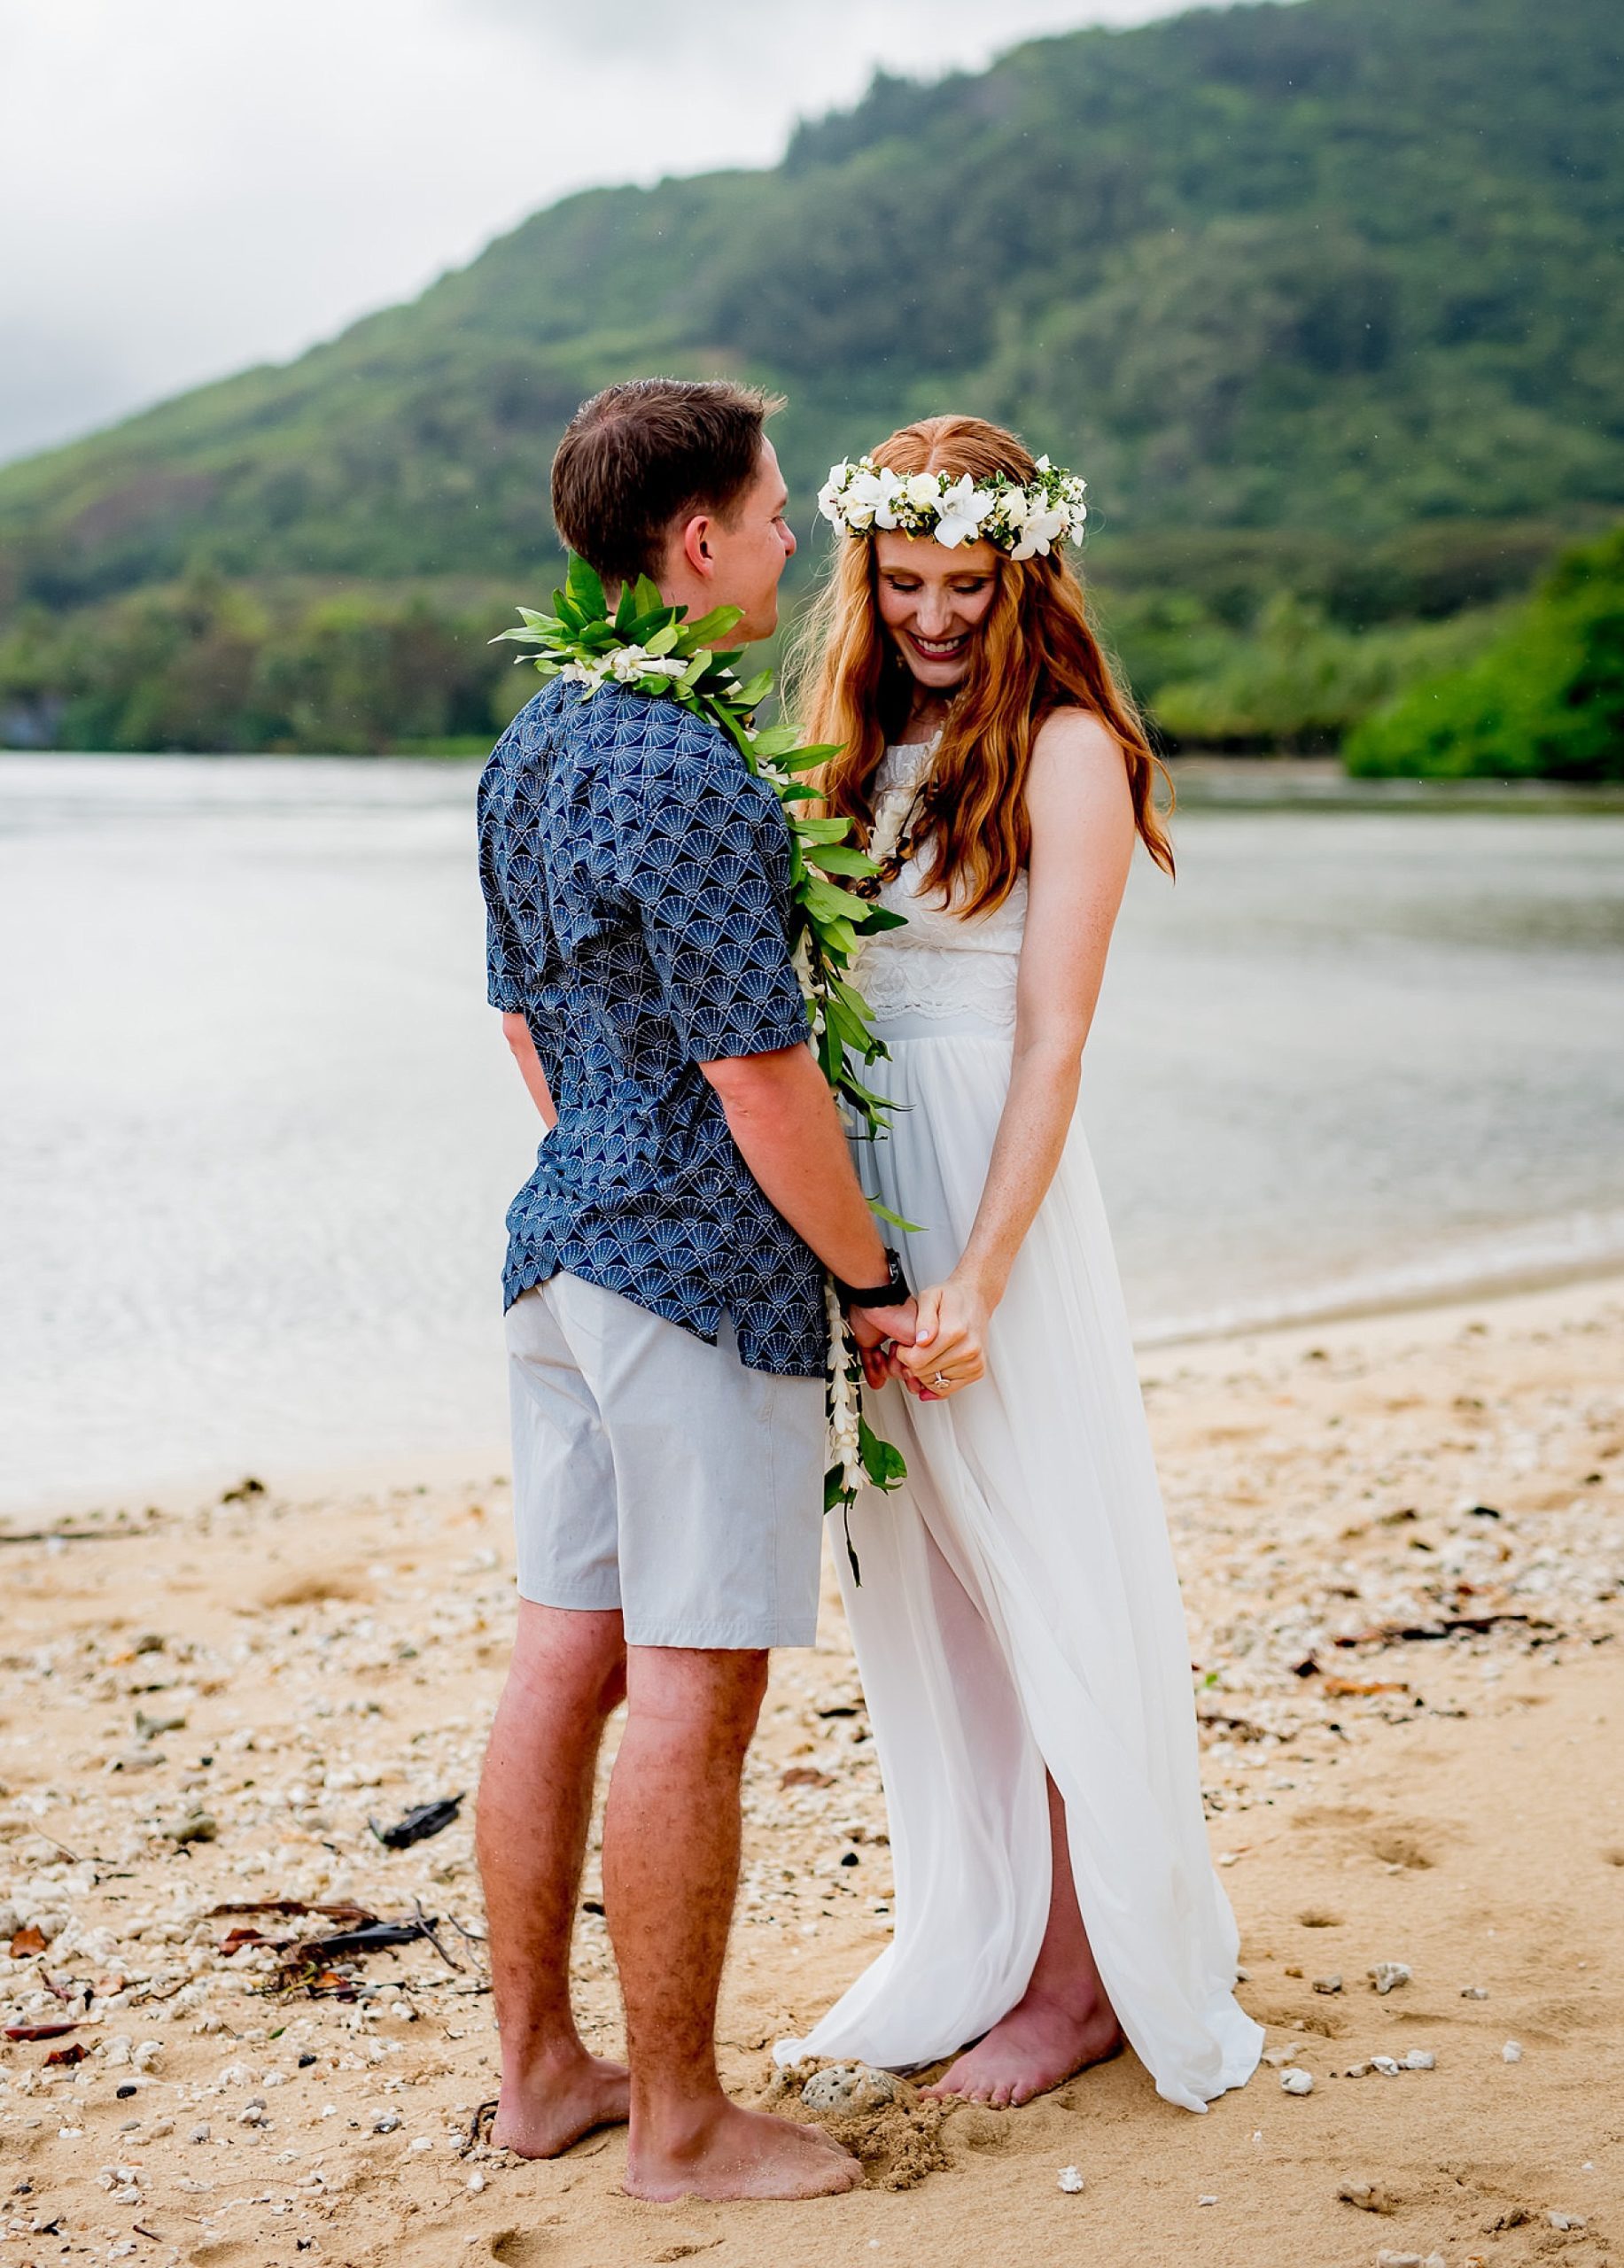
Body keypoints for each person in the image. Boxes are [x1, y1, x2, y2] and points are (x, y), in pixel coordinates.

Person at [777, 416, 1263, 2113]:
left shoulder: (1066, 746)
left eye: (962, 587)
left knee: (1043, 1563)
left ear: (1024, 573)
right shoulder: (847, 739)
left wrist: (977, 1274)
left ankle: (1082, 1984)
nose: (929, 618)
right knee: (938, 1591)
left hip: (995, 1185)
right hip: (868, 1195)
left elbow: (1054, 1039)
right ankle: (981, 1932)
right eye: (900, 584)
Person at [475, 378, 918, 2200]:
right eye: (767, 509)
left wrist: (603, 1160)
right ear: (696, 543)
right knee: (688, 1684)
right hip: (692, 1284)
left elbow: (524, 1020)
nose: (792, 538)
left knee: (559, 1649)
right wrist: (872, 1275)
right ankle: (676, 2117)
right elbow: (759, 1075)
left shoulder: (536, 739)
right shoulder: (684, 764)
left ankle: (539, 2073)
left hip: (555, 1250)